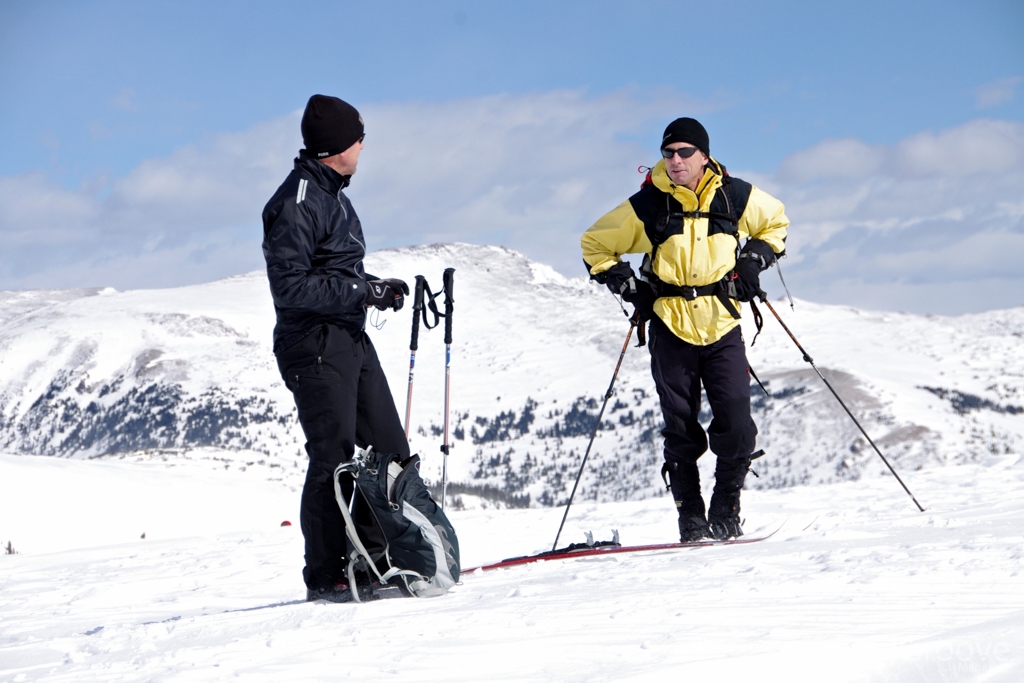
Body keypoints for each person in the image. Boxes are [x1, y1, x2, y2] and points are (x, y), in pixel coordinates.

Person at [581, 117, 788, 541]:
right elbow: (595, 244)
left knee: (736, 421)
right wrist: (626, 284)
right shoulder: (651, 204)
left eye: (684, 152)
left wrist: (751, 262)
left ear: (704, 156)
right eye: (668, 153)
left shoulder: (735, 197)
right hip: (669, 325)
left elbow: (776, 224)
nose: (675, 160)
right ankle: (690, 517)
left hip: (721, 322)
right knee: (680, 425)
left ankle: (726, 505)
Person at [262, 95, 410, 602]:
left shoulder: (334, 197)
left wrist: (374, 286)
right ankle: (325, 575)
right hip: (313, 344)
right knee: (333, 456)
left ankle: (374, 560)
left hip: (347, 338)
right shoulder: (298, 201)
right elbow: (292, 288)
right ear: (337, 147)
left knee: (389, 449)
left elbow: (335, 274)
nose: (363, 146)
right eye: (358, 138)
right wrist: (358, 291)